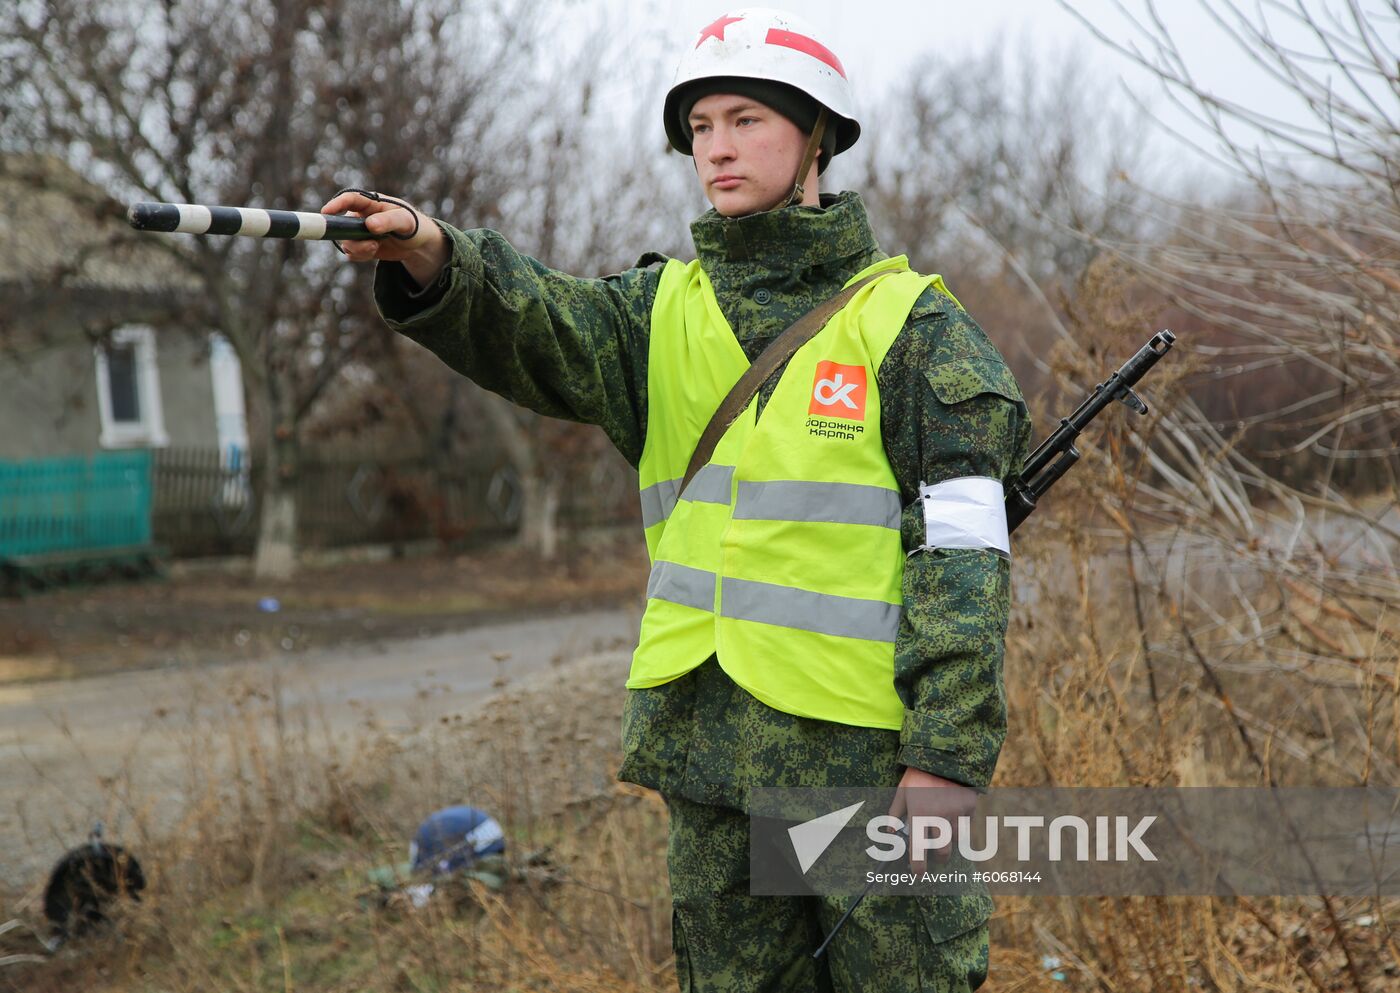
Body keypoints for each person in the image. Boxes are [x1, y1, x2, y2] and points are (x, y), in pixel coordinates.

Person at [325, 8, 1031, 990]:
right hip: (705, 757)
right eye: (699, 128)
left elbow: (963, 560)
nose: (716, 149)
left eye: (744, 119)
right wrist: (432, 252)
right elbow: (535, 318)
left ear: (815, 132)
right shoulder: (657, 317)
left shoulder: (912, 330)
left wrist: (944, 761)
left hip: (858, 764)